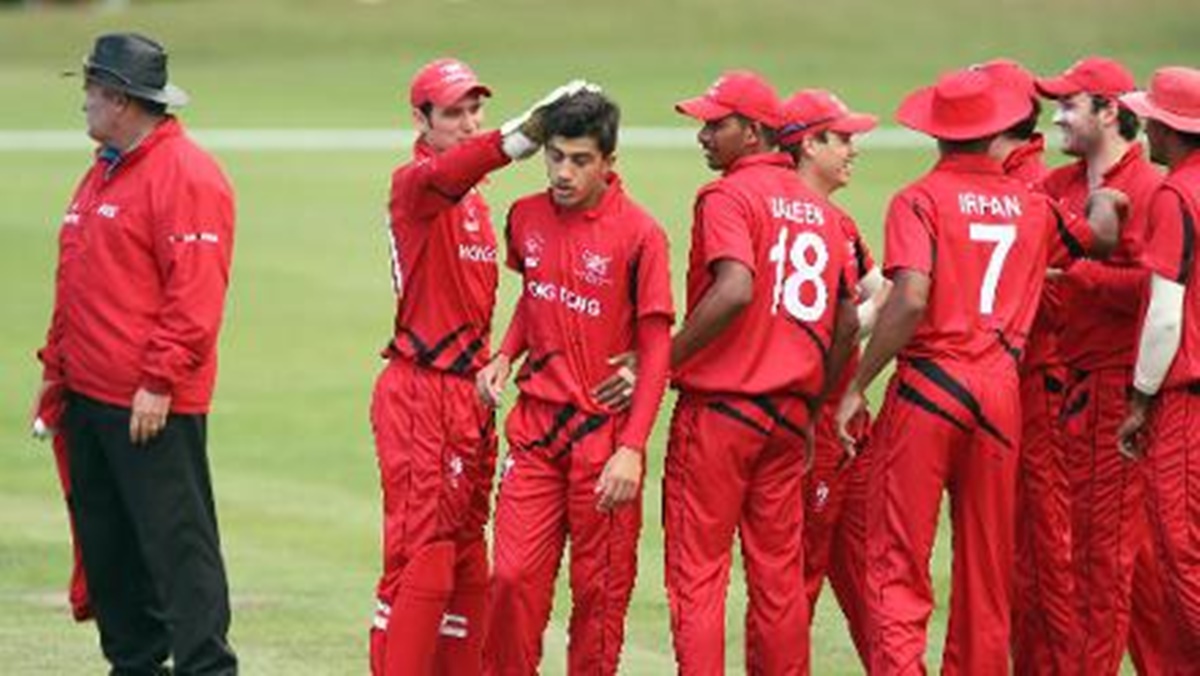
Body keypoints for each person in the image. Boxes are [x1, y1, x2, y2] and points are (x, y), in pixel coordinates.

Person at [835, 67, 1119, 675]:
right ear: (995, 132)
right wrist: (1105, 198)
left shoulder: (917, 199)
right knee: (986, 572)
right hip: (1001, 393)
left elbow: (911, 297)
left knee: (895, 564)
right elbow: (1098, 239)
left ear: (937, 133)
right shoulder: (1033, 205)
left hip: (930, 387)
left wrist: (858, 384)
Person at [367, 57, 589, 675]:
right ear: (421, 121)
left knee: (467, 558)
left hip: (467, 394)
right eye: (452, 112)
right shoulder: (417, 186)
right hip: (421, 391)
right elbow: (459, 167)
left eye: (475, 110)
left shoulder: (475, 202)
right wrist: (524, 132)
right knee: (422, 558)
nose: (468, 122)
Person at [35, 32, 238, 674]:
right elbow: (77, 279)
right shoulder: (105, 169)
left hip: (149, 404)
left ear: (120, 99)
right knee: (110, 551)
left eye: (91, 90)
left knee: (178, 550)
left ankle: (206, 667)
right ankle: (134, 665)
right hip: (90, 397)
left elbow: (195, 295)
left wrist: (159, 380)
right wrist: (56, 374)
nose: (84, 101)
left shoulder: (187, 175)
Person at [665, 70, 859, 675]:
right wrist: (812, 407)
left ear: (752, 132)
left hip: (720, 414)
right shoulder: (824, 212)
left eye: (715, 124)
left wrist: (664, 359)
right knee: (778, 578)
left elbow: (734, 289)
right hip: (788, 418)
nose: (703, 135)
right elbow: (847, 322)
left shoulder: (726, 196)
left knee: (699, 575)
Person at [476, 87, 674, 676]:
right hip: (536, 431)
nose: (564, 172)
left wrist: (632, 449)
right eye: (556, 156)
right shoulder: (525, 216)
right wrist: (504, 355)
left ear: (609, 162)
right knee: (510, 580)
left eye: (581, 160)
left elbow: (657, 347)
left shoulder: (641, 235)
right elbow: (537, 292)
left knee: (599, 600)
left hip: (604, 442)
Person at [1036, 56, 1166, 675]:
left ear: (1111, 112)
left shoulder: (1150, 190)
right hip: (1067, 385)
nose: (1057, 117)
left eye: (1069, 105)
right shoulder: (1056, 186)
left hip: (1118, 392)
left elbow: (1159, 289)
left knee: (1100, 560)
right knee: (1129, 561)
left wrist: (1074, 274)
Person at [776, 87, 886, 669]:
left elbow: (881, 294)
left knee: (875, 579)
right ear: (808, 145)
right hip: (809, 423)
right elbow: (845, 317)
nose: (854, 150)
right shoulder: (785, 220)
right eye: (842, 139)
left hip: (846, 425)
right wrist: (860, 322)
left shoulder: (840, 223)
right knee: (798, 578)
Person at [979, 57, 1080, 675]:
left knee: (1043, 551)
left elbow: (1066, 298)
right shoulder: (1010, 183)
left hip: (1037, 386)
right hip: (1006, 389)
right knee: (1015, 551)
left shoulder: (1033, 189)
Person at [1116, 65, 1200, 674]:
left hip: (1187, 405)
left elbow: (1166, 317)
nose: (1144, 129)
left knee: (1182, 552)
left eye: (1151, 120)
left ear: (1171, 129)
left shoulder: (1177, 194)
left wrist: (1141, 398)